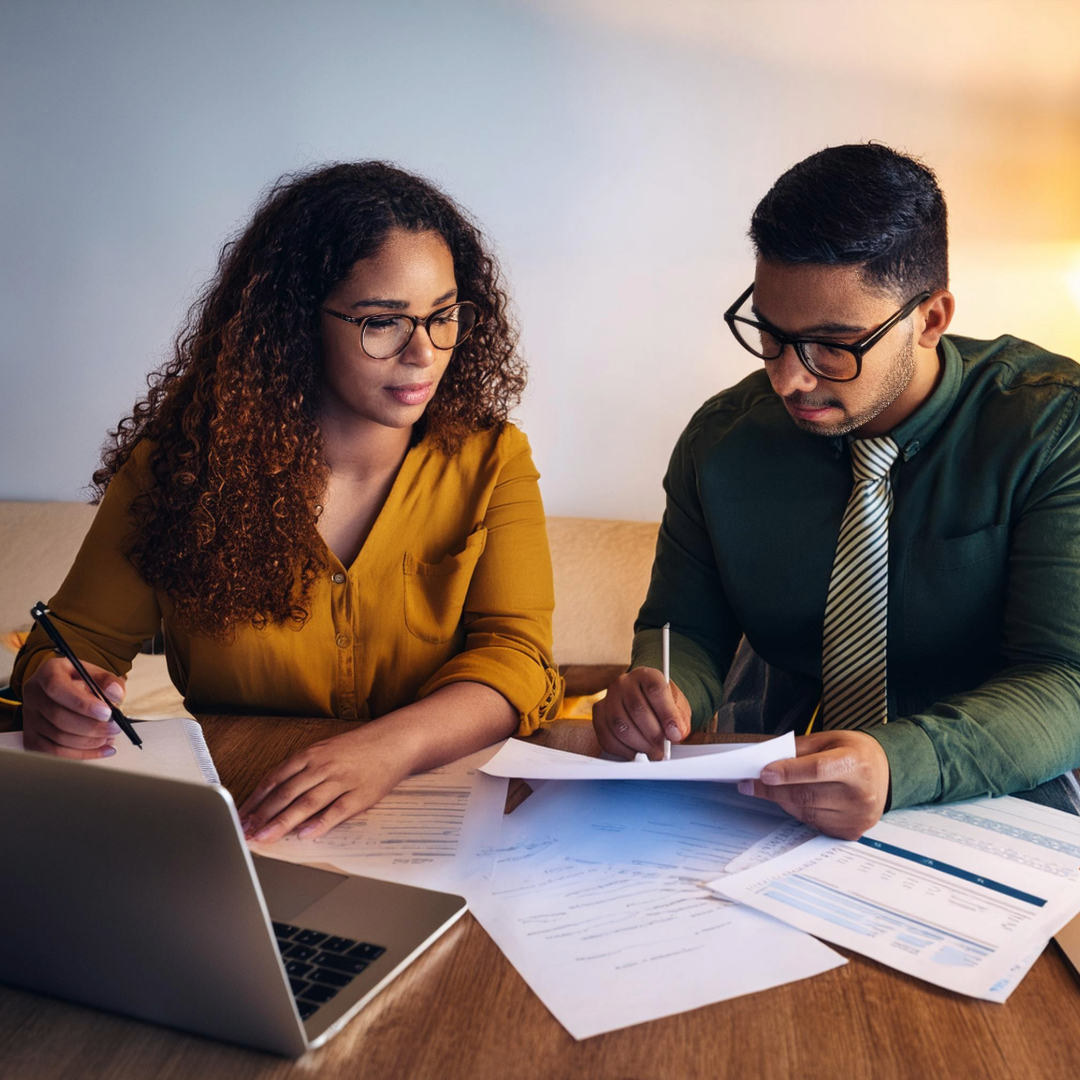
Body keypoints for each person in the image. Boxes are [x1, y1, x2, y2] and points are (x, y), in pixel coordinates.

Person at [12, 161, 562, 842]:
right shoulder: (180, 467)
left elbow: (517, 657)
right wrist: (56, 690)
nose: (424, 352)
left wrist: (389, 749)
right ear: (297, 321)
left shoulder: (493, 459)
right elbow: (73, 644)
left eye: (444, 315)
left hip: (439, 809)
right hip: (239, 818)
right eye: (382, 321)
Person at [594, 142, 1080, 839]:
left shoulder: (1052, 426)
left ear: (931, 319)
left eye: (832, 344)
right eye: (770, 332)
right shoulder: (722, 444)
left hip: (999, 799)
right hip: (773, 800)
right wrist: (661, 689)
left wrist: (898, 763)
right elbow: (685, 628)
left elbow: (1067, 679)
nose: (789, 377)